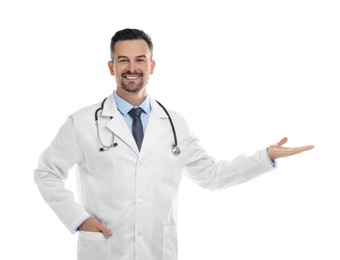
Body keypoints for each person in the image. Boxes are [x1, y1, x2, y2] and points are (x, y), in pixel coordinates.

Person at [34, 28, 314, 260]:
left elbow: (212, 176)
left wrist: (265, 157)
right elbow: (46, 173)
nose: (132, 68)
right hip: (105, 250)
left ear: (151, 66)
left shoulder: (173, 123)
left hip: (159, 251)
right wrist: (78, 219)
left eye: (140, 60)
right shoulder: (83, 123)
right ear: (111, 67)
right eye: (123, 60)